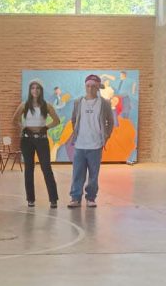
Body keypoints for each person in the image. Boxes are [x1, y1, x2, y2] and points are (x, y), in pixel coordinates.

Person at [67, 74, 114, 209]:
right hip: (80, 145)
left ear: (98, 87)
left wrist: (106, 136)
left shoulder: (104, 103)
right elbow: (74, 119)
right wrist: (77, 133)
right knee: (77, 173)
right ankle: (75, 198)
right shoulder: (78, 102)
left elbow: (110, 121)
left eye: (93, 86)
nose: (90, 89)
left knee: (93, 174)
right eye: (88, 86)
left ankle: (91, 198)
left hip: (96, 145)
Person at [11, 79, 60, 208]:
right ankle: (30, 199)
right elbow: (15, 120)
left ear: (41, 90)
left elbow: (57, 120)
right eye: (33, 88)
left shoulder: (47, 105)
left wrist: (46, 127)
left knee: (46, 168)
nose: (35, 90)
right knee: (29, 168)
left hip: (42, 139)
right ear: (30, 90)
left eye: (37, 88)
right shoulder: (24, 105)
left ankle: (53, 199)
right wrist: (23, 127)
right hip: (27, 140)